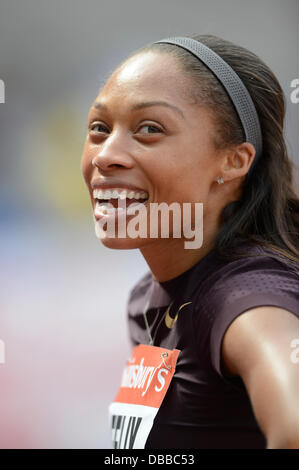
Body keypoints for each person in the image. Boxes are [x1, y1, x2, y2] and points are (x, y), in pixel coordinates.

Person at [81, 34, 299, 449]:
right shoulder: (151, 294)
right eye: (99, 128)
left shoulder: (241, 298)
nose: (106, 154)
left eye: (149, 129)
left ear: (233, 162)